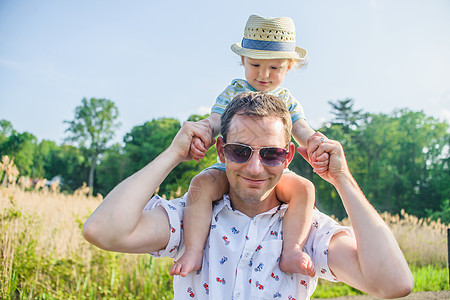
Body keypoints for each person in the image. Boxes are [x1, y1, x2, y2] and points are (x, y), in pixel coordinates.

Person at [83, 92, 413, 299]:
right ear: (221, 151)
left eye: (270, 154)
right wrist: (172, 155)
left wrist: (341, 179)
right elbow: (103, 230)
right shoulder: (190, 216)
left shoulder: (309, 231)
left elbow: (394, 283)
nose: (255, 168)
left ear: (288, 157)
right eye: (241, 151)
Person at [174, 14, 326, 277]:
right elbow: (215, 121)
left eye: (275, 68)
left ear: (288, 67)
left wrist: (314, 140)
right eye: (255, 64)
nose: (264, 75)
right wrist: (202, 133)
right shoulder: (233, 92)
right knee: (200, 185)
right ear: (243, 60)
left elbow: (300, 128)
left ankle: (292, 249)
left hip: (272, 165)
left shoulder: (287, 100)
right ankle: (194, 250)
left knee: (304, 188)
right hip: (231, 165)